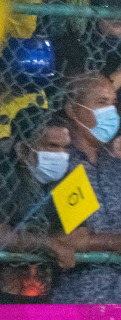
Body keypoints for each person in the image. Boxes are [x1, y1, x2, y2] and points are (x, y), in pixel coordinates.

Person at [49, 73, 121, 306]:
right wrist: (118, 242)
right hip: (69, 303)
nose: (110, 111)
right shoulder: (61, 162)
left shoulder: (116, 166)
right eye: (101, 102)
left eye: (113, 103)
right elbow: (71, 236)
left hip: (116, 304)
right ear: (72, 110)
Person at [0, 108, 79, 302]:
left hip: (44, 289)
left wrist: (24, 242)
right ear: (23, 150)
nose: (62, 155)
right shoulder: (5, 175)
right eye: (52, 146)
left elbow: (80, 232)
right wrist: (50, 244)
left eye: (66, 147)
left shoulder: (69, 177)